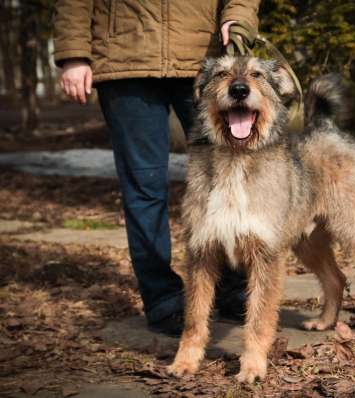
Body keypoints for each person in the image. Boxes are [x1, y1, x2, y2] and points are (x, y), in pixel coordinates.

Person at [53, 0, 261, 336]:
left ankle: (231, 284)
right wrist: (74, 53)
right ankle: (162, 297)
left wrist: (238, 17)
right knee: (144, 184)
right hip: (125, 61)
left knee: (227, 179)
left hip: (204, 60)